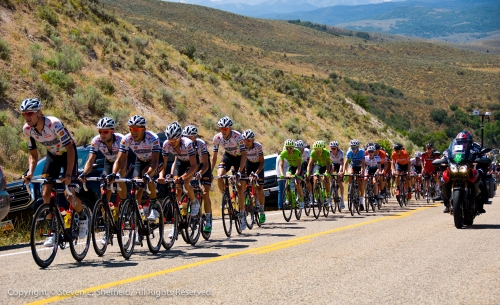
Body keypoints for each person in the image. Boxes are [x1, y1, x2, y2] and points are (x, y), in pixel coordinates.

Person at [20, 98, 86, 247]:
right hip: (53, 156)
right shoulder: (27, 129)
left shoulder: (53, 124)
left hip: (68, 154)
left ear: (39, 112)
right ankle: (53, 232)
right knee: (45, 194)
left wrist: (68, 174)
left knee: (69, 195)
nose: (27, 117)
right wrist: (30, 173)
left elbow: (69, 148)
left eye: (30, 113)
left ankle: (82, 217)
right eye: (24, 114)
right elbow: (33, 154)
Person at [109, 115, 161, 244]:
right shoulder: (126, 139)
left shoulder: (152, 138)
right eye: (131, 129)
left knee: (147, 178)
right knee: (137, 188)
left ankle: (154, 204)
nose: (134, 132)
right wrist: (113, 173)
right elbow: (119, 159)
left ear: (143, 129)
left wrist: (149, 174)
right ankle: (137, 226)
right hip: (140, 160)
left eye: (137, 130)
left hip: (154, 162)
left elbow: (154, 163)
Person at [79, 117, 128, 245]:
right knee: (104, 192)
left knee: (119, 178)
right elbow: (90, 160)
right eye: (100, 131)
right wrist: (84, 173)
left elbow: (120, 160)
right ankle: (108, 228)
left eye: (105, 132)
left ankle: (125, 206)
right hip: (109, 161)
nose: (102, 134)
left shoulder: (121, 139)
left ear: (112, 131)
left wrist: (115, 174)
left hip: (123, 161)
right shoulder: (96, 141)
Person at [211, 116, 248, 230]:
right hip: (228, 157)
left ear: (230, 128)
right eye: (221, 129)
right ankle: (225, 196)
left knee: (240, 188)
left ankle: (242, 214)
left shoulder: (238, 137)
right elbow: (214, 156)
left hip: (239, 158)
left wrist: (239, 172)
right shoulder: (217, 138)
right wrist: (209, 171)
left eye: (226, 129)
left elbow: (244, 155)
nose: (223, 131)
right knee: (220, 175)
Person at [180, 125, 214, 233]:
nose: (190, 139)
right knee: (185, 186)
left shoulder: (201, 144)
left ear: (195, 137)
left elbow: (205, 164)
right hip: (191, 165)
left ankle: (208, 220)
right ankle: (185, 214)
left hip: (203, 167)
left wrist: (200, 173)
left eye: (192, 137)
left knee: (205, 192)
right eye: (187, 137)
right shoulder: (183, 144)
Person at [241, 129, 266, 224]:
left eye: (249, 140)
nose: (246, 142)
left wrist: (256, 173)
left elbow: (262, 161)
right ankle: (248, 200)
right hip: (248, 164)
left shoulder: (258, 146)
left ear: (252, 140)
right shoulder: (242, 147)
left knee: (259, 188)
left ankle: (262, 211)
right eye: (244, 140)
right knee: (244, 182)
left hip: (258, 165)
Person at [279, 139, 305, 208]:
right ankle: (287, 198)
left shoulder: (297, 152)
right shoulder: (283, 153)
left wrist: (296, 174)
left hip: (299, 167)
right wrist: (282, 174)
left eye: (291, 148)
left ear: (293, 147)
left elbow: (299, 166)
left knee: (297, 183)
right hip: (291, 167)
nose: (289, 149)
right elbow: (281, 165)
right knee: (287, 179)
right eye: (287, 148)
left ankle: (302, 199)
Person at [306, 140, 332, 207]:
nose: (317, 151)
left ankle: (328, 197)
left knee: (325, 179)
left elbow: (328, 164)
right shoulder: (313, 152)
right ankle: (316, 194)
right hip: (319, 165)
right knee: (315, 177)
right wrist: (308, 172)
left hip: (327, 165)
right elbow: (310, 164)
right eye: (316, 150)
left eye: (319, 150)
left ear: (322, 149)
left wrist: (326, 172)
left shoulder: (326, 152)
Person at [342, 139, 366, 210]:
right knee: (350, 174)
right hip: (353, 166)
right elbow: (345, 163)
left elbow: (363, 164)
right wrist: (344, 171)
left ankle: (361, 202)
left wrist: (362, 171)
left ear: (358, 147)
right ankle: (350, 186)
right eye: (352, 147)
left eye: (354, 147)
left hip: (360, 167)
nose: (353, 149)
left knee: (360, 184)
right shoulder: (349, 152)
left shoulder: (361, 152)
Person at [329, 141, 345, 208]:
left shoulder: (340, 153)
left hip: (339, 165)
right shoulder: (329, 153)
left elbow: (341, 164)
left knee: (339, 182)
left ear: (337, 148)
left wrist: (340, 172)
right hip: (333, 165)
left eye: (334, 148)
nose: (333, 150)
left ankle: (342, 199)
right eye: (332, 148)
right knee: (329, 173)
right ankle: (331, 185)